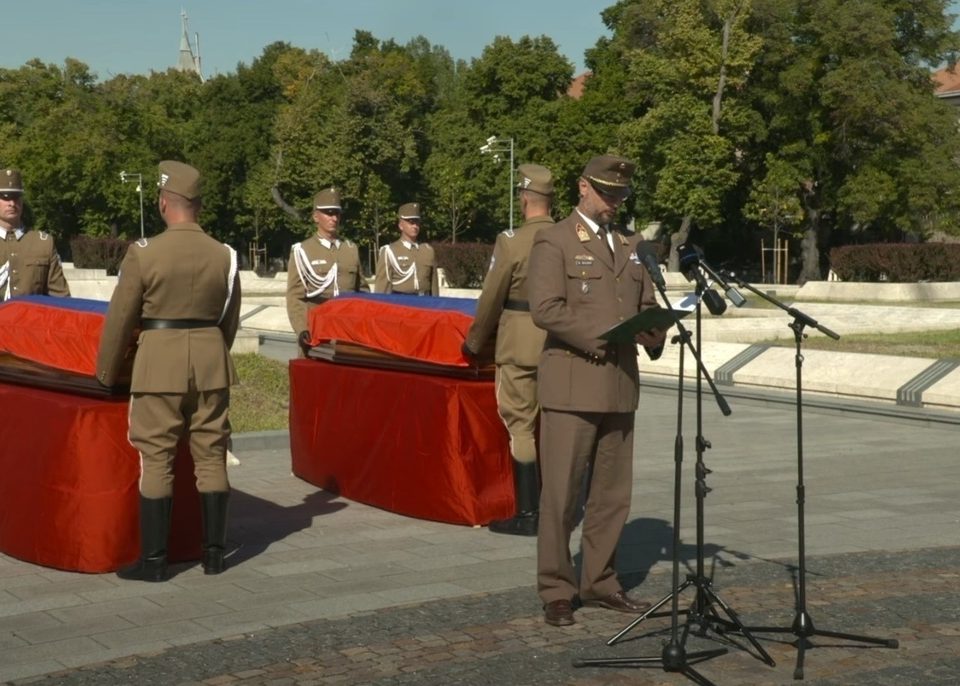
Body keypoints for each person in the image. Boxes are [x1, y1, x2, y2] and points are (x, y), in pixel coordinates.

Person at [527, 154, 666, 627]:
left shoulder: (634, 244)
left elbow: (645, 300)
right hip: (572, 382)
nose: (615, 202)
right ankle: (557, 588)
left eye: (622, 194)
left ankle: (601, 581)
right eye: (608, 193)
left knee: (611, 496)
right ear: (583, 187)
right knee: (562, 495)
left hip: (620, 385)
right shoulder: (555, 240)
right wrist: (604, 334)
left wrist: (655, 331)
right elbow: (545, 309)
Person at [96, 160, 241, 582]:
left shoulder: (144, 252)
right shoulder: (226, 255)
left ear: (163, 202)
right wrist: (214, 353)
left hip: (159, 363)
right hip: (212, 362)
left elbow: (121, 318)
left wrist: (106, 373)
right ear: (197, 205)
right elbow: (229, 320)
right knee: (212, 456)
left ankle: (155, 562)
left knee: (157, 459)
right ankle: (214, 557)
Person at [462, 164, 554, 537]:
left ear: (524, 198)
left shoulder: (512, 240)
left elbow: (491, 299)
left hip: (518, 344)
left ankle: (529, 512)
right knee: (554, 427)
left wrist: (474, 342)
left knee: (520, 425)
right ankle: (555, 508)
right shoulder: (568, 236)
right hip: (559, 344)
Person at [286, 187, 368, 346]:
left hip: (347, 332)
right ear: (316, 216)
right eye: (328, 213)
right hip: (316, 331)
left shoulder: (350, 249)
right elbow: (295, 297)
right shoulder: (303, 251)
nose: (334, 218)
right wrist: (302, 329)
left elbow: (362, 292)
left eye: (336, 213)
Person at [0, 168, 70, 300]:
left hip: (32, 319)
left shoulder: (43, 243)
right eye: (5, 197)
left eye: (16, 197)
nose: (12, 203)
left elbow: (61, 298)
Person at [374, 202, 439, 296]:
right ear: (401, 225)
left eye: (417, 222)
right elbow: (382, 288)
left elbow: (434, 287)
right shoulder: (389, 251)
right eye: (411, 222)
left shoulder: (427, 250)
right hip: (401, 303)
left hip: (424, 303)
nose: (415, 226)